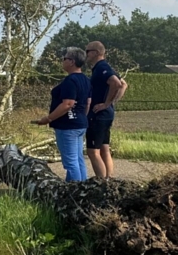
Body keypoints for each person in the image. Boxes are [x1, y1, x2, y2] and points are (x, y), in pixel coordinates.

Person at [32, 47, 91, 181]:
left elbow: (67, 104)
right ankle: (84, 188)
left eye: (64, 59)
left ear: (71, 62)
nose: (62, 61)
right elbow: (88, 102)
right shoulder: (86, 80)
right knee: (78, 159)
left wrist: (48, 118)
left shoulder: (70, 81)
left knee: (70, 162)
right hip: (80, 124)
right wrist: (81, 118)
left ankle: (74, 192)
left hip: (67, 126)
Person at [85, 41, 127, 178]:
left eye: (88, 51)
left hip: (98, 115)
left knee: (93, 152)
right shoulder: (106, 67)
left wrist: (106, 103)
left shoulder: (101, 67)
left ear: (96, 53)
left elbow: (117, 83)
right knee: (104, 149)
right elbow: (124, 85)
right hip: (107, 115)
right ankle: (109, 180)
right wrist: (112, 103)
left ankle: (102, 183)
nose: (86, 55)